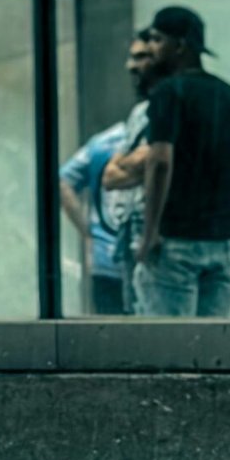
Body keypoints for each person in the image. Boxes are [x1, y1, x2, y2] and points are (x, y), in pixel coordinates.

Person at [131, 6, 230, 318]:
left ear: (180, 45)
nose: (151, 49)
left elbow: (160, 162)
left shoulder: (168, 94)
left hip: (176, 243)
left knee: (171, 349)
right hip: (223, 243)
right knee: (213, 349)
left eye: (158, 40)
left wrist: (150, 233)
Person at [60, 31, 158, 314]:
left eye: (141, 57)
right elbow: (63, 181)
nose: (133, 67)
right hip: (118, 258)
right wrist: (89, 231)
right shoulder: (107, 143)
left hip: (132, 257)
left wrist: (88, 231)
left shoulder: (103, 142)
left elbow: (64, 181)